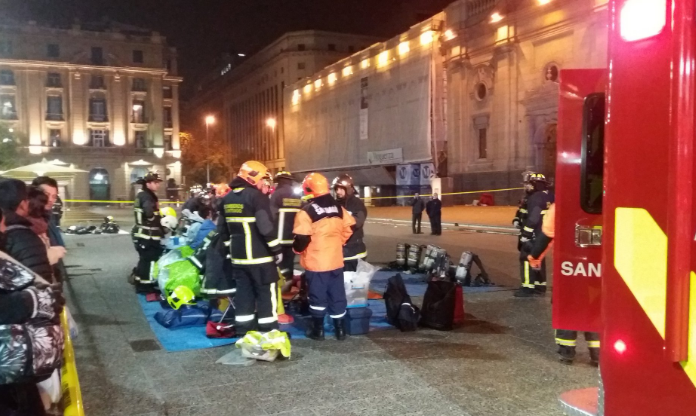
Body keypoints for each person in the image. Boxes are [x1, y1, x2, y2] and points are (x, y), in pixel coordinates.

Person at [527, 204, 600, 365]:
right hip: (599, 266)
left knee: (567, 304)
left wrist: (534, 257)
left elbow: (546, 236)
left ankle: (567, 351)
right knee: (594, 306)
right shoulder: (608, 202)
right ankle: (597, 353)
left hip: (569, 264)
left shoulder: (559, 207)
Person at [218, 161, 282, 335]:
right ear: (253, 178)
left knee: (244, 295)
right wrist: (277, 250)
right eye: (262, 179)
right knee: (266, 296)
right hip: (260, 258)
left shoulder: (227, 199)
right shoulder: (256, 197)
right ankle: (269, 331)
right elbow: (265, 227)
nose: (264, 184)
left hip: (238, 259)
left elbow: (222, 231)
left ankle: (244, 331)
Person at [294, 173, 355, 340]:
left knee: (317, 296)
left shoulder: (306, 211)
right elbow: (350, 228)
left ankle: (318, 331)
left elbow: (302, 238)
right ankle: (340, 331)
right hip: (335, 259)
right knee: (337, 295)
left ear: (309, 190)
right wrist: (337, 243)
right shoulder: (338, 208)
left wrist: (297, 250)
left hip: (316, 262)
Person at [0, 179, 56, 282]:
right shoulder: (25, 237)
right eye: (27, 199)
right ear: (22, 204)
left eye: (54, 196)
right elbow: (41, 286)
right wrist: (49, 257)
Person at [514, 173, 554, 297]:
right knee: (538, 258)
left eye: (529, 184)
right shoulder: (551, 196)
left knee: (526, 258)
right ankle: (539, 285)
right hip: (544, 234)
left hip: (534, 233)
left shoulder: (535, 197)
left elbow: (534, 217)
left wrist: (526, 233)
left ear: (535, 184)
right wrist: (517, 218)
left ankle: (527, 287)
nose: (527, 186)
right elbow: (524, 210)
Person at [131, 172, 165, 292]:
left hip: (143, 235)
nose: (158, 185)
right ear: (148, 183)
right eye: (155, 183)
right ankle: (147, 285)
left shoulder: (142, 194)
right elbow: (149, 214)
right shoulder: (147, 196)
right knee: (150, 261)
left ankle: (140, 282)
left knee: (144, 260)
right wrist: (159, 220)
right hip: (148, 236)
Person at [270, 171, 302, 290]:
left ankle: (280, 288)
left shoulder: (276, 195)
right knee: (289, 263)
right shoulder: (297, 195)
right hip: (294, 237)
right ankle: (288, 286)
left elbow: (271, 216)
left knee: (279, 265)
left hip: (279, 239)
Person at [332, 174, 367, 272]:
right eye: (336, 189)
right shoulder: (335, 204)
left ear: (348, 188)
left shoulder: (356, 203)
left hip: (354, 251)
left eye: (340, 189)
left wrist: (339, 221)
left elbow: (357, 222)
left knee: (351, 284)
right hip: (339, 251)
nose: (338, 192)